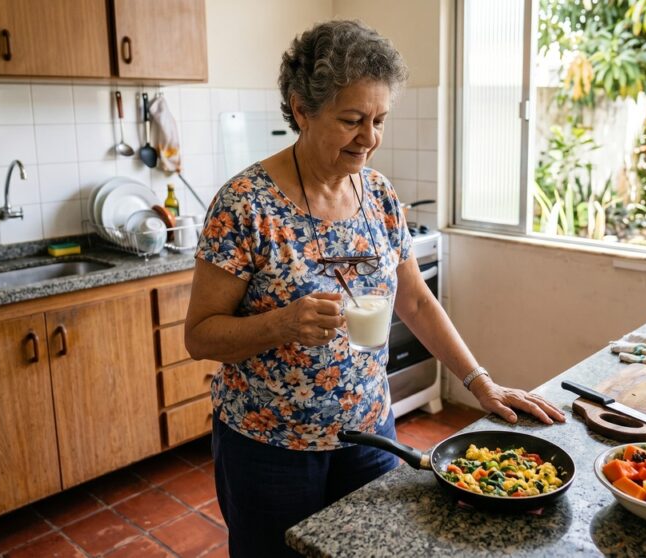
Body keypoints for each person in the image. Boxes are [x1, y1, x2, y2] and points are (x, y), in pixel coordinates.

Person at [184, 20, 565, 557]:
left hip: (369, 431)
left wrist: (481, 383)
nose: (370, 137)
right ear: (301, 109)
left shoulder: (380, 196)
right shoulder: (245, 205)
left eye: (379, 119)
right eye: (352, 120)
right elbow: (200, 337)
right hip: (271, 446)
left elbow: (415, 300)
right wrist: (283, 323)